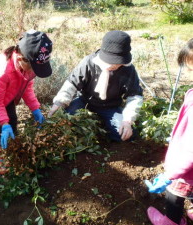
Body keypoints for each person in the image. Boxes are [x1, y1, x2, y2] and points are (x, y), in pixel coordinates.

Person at [0, 30, 53, 174]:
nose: (34, 72)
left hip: (8, 92)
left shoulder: (27, 68)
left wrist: (35, 109)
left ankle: (12, 143)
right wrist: (4, 124)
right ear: (23, 58)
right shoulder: (2, 72)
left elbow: (27, 88)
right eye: (34, 68)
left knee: (12, 119)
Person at [48, 30, 143, 142]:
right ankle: (98, 125)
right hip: (85, 101)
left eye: (118, 62)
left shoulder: (128, 69)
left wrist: (127, 121)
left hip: (110, 106)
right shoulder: (89, 62)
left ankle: (104, 128)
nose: (115, 65)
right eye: (112, 61)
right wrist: (59, 103)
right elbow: (71, 83)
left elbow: (134, 96)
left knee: (123, 135)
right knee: (65, 121)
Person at [145, 38, 193, 225]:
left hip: (186, 172)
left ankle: (170, 221)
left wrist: (169, 174)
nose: (190, 74)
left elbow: (190, 151)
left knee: (175, 194)